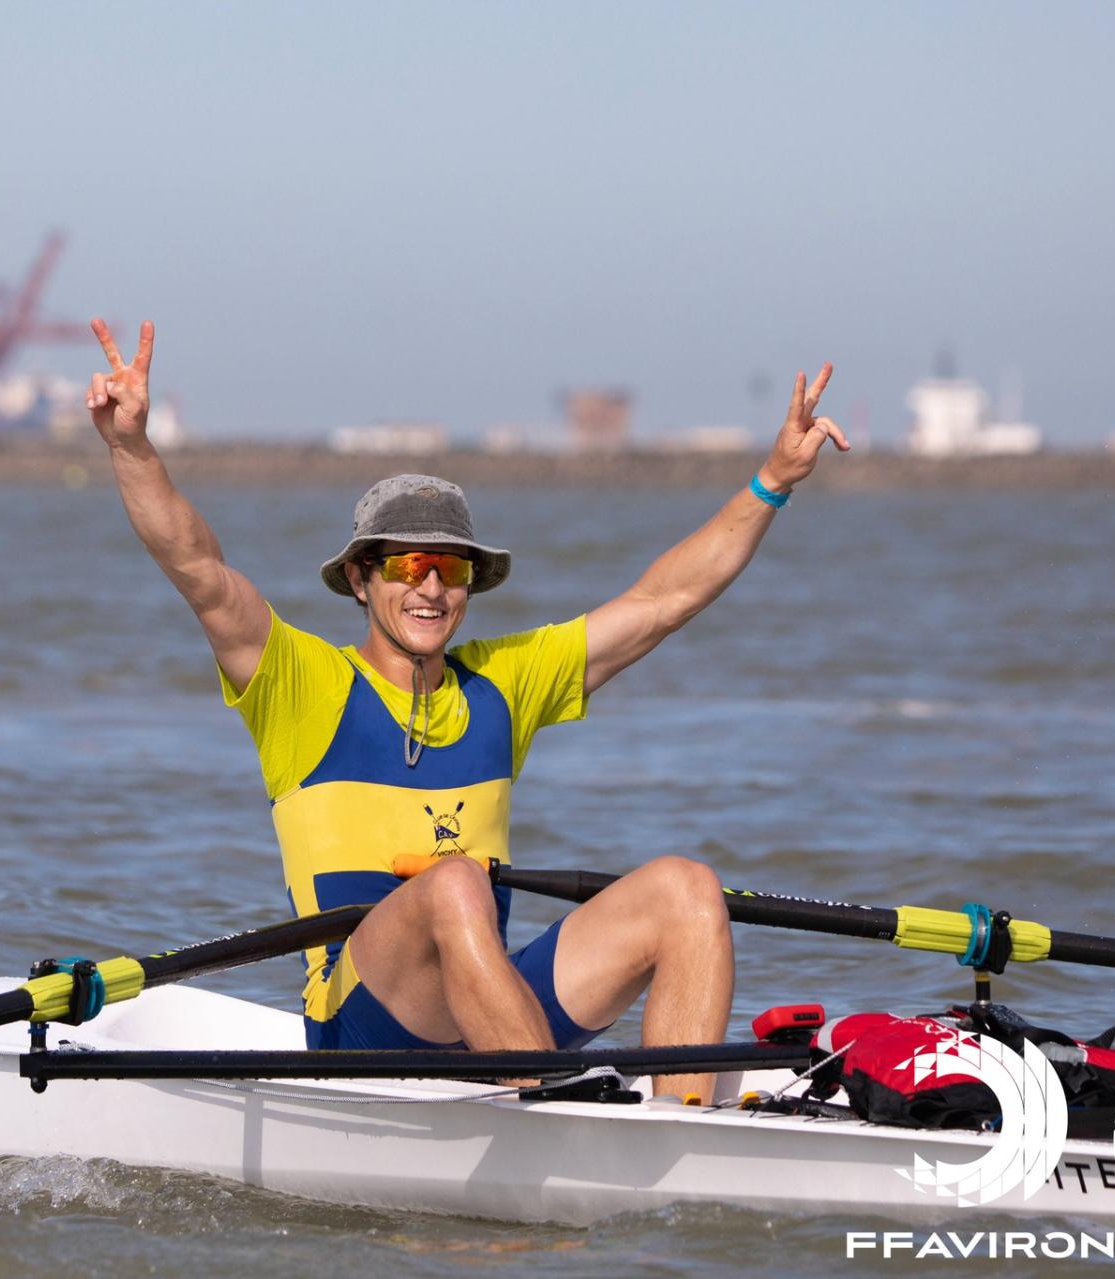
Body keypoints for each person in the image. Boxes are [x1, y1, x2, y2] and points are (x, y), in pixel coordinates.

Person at [88, 318, 847, 1101]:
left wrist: (772, 481)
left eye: (450, 569)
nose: (431, 587)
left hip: (485, 1008)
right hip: (361, 1027)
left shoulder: (501, 683)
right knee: (455, 883)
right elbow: (199, 568)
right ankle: (550, 1103)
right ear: (360, 580)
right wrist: (131, 446)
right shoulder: (303, 684)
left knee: (687, 888)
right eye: (408, 564)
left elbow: (663, 601)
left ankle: (680, 1126)